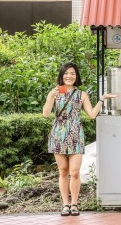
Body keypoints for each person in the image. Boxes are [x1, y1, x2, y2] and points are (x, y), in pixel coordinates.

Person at [43, 62, 116, 216]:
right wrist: (50, 97)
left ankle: (74, 204)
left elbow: (92, 114)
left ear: (76, 76)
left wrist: (102, 99)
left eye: (73, 73)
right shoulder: (56, 92)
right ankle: (65, 204)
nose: (69, 76)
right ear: (62, 75)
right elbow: (46, 113)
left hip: (76, 135)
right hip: (58, 135)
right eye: (66, 73)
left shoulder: (81, 94)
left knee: (75, 172)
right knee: (63, 171)